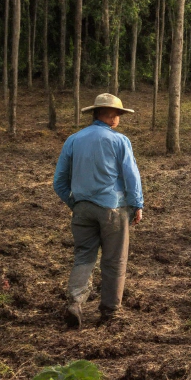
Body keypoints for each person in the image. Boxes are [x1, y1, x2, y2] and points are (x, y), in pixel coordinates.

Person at [52, 93, 144, 328]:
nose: (118, 119)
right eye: (118, 115)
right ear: (112, 116)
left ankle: (75, 302)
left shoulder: (73, 140)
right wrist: (137, 204)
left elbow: (59, 181)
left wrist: (76, 204)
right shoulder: (120, 141)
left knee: (84, 256)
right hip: (113, 209)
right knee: (115, 259)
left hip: (82, 209)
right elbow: (131, 176)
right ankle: (110, 311)